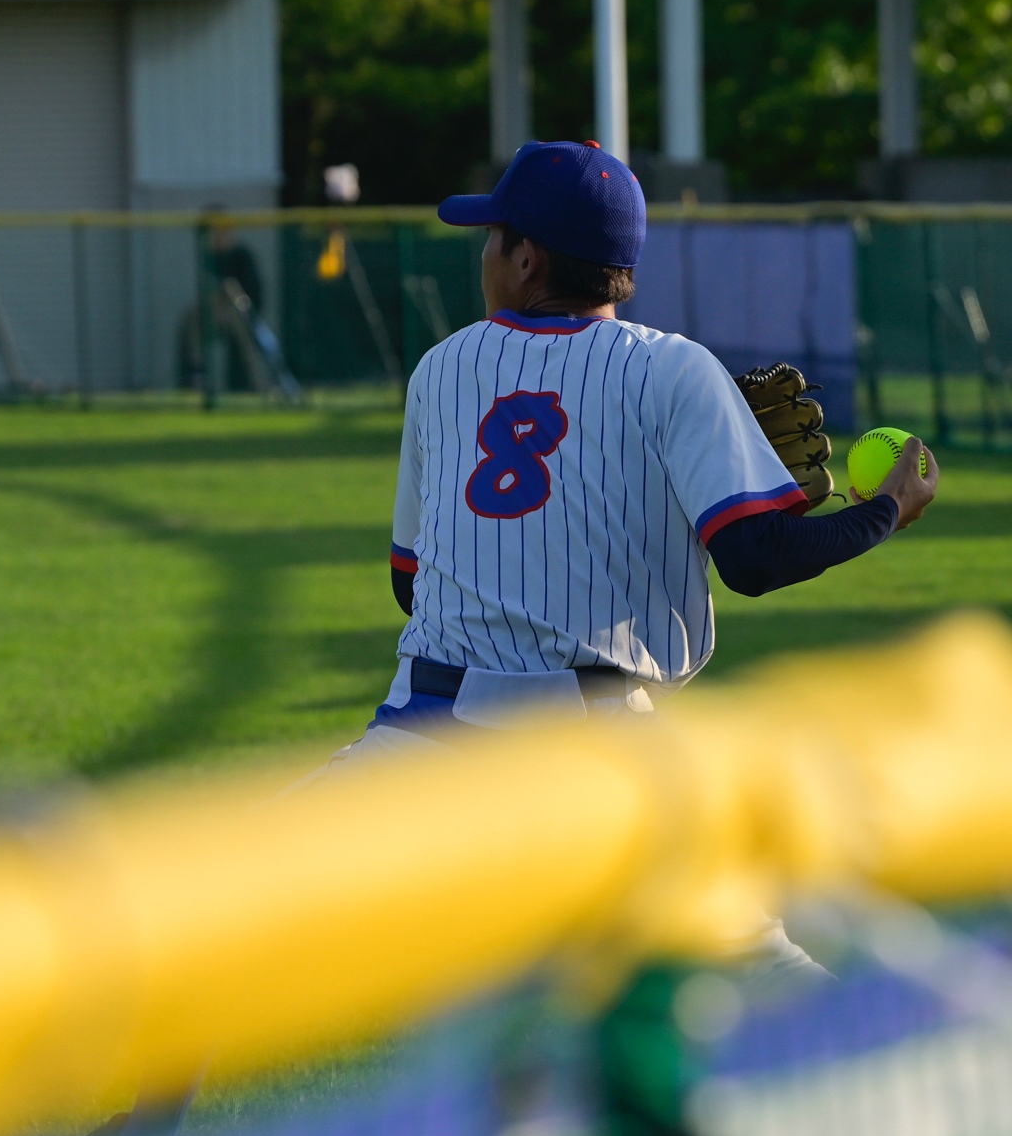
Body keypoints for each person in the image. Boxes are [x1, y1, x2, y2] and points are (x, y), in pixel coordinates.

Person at [358, 138, 939, 749]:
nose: (484, 255)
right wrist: (887, 508)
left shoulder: (440, 368)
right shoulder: (673, 369)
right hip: (597, 743)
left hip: (418, 731)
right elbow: (755, 560)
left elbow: (410, 585)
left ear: (526, 258)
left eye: (491, 236)